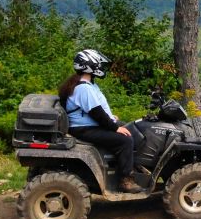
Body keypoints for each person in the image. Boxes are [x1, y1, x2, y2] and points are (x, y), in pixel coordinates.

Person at [58, 49, 142, 193]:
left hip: (87, 125)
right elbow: (96, 113)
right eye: (99, 65)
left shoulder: (86, 84)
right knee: (125, 140)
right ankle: (126, 180)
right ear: (90, 66)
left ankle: (131, 164)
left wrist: (111, 118)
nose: (101, 68)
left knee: (132, 129)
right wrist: (114, 127)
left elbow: (96, 110)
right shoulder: (83, 88)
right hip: (83, 129)